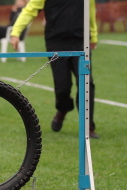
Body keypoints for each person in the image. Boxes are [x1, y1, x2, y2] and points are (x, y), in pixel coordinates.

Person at [10, 0, 99, 138]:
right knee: (63, 85)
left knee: (86, 83)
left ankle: (88, 126)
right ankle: (63, 109)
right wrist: (16, 32)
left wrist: (93, 35)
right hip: (56, 41)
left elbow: (90, 11)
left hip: (81, 41)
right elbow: (30, 10)